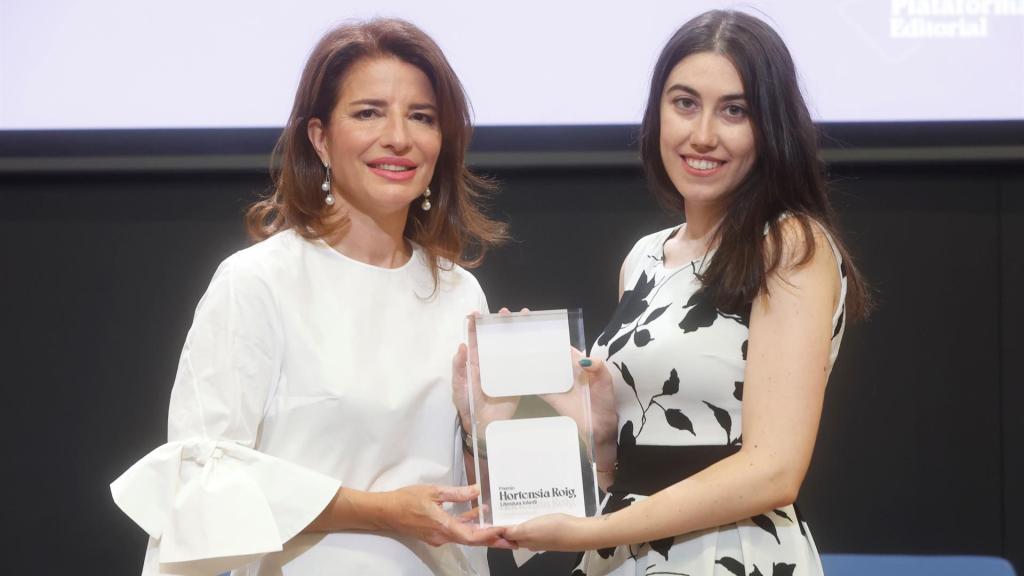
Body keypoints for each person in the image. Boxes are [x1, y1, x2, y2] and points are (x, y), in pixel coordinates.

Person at [110, 18, 510, 575]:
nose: (399, 136)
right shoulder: (256, 282)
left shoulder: (459, 290)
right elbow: (202, 480)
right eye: (369, 112)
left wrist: (498, 424)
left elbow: (475, 491)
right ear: (320, 138)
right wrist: (380, 512)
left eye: (422, 117)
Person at [504, 10, 870, 576]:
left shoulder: (790, 244)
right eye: (684, 103)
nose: (703, 134)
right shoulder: (645, 256)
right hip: (627, 553)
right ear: (657, 115)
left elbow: (773, 470)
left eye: (734, 110)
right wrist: (599, 436)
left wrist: (596, 530)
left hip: (727, 555)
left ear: (770, 126)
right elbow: (628, 460)